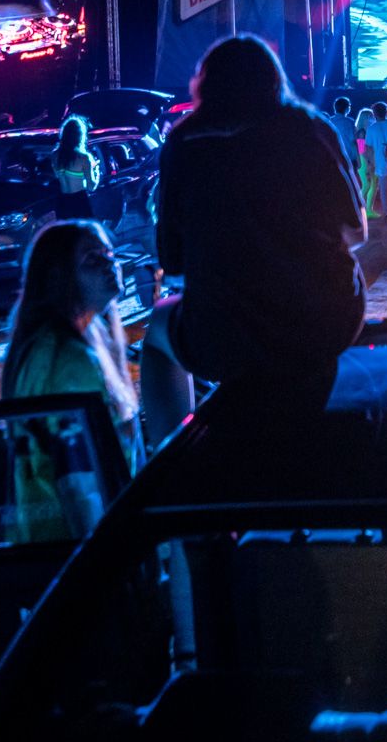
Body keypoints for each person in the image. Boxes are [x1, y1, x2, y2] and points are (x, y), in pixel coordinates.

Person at [139, 35, 365, 445]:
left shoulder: (184, 142)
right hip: (326, 322)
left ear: (203, 85)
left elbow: (172, 261)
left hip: (225, 334)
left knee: (157, 330)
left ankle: (172, 462)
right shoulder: (310, 128)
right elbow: (357, 231)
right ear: (274, 80)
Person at [0, 220, 144, 542]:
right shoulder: (71, 363)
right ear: (57, 277)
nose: (112, 265)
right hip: (78, 554)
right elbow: (83, 485)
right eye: (93, 260)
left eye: (110, 254)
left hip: (44, 543)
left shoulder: (62, 342)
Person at [52, 115, 101, 219]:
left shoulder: (55, 155)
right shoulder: (83, 158)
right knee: (83, 234)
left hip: (63, 203)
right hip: (79, 202)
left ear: (64, 134)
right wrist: (96, 172)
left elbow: (58, 176)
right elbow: (91, 187)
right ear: (80, 135)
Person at [354, 108, 380, 219]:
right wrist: (367, 162)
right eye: (370, 116)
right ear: (366, 118)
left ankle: (369, 210)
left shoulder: (367, 130)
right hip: (365, 161)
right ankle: (356, 207)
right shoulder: (361, 132)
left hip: (370, 160)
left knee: (373, 185)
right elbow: (361, 149)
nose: (373, 118)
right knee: (367, 185)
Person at [327, 96, 358, 164]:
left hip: (334, 156)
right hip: (348, 157)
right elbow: (353, 141)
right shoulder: (350, 122)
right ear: (347, 108)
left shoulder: (329, 121)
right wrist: (359, 158)